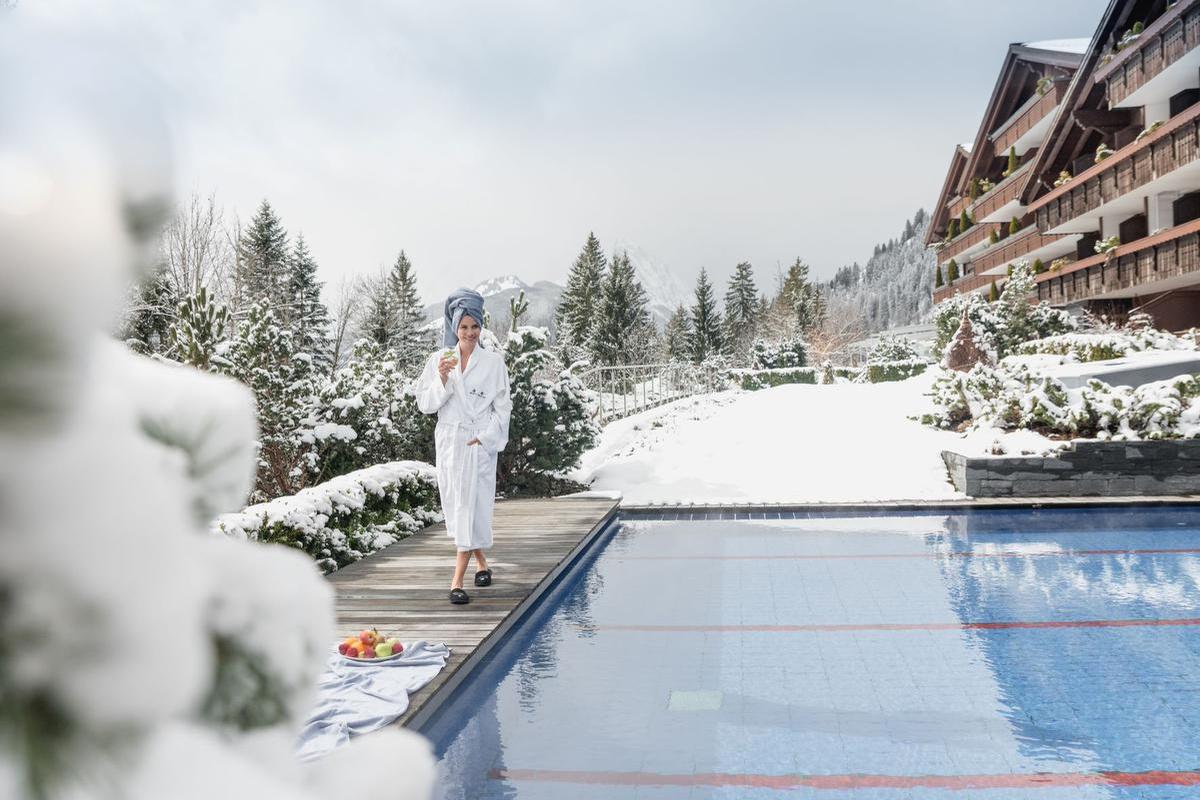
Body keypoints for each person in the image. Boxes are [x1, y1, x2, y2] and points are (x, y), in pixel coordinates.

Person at [415, 288, 512, 605]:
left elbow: (503, 408)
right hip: (450, 443)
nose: (470, 333)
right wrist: (441, 380)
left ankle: (456, 582)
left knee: (471, 507)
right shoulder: (439, 360)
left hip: (477, 442)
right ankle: (482, 564)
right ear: (454, 328)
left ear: (481, 327)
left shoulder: (494, 363)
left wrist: (485, 437)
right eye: (463, 327)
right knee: (459, 508)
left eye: (475, 327)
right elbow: (426, 405)